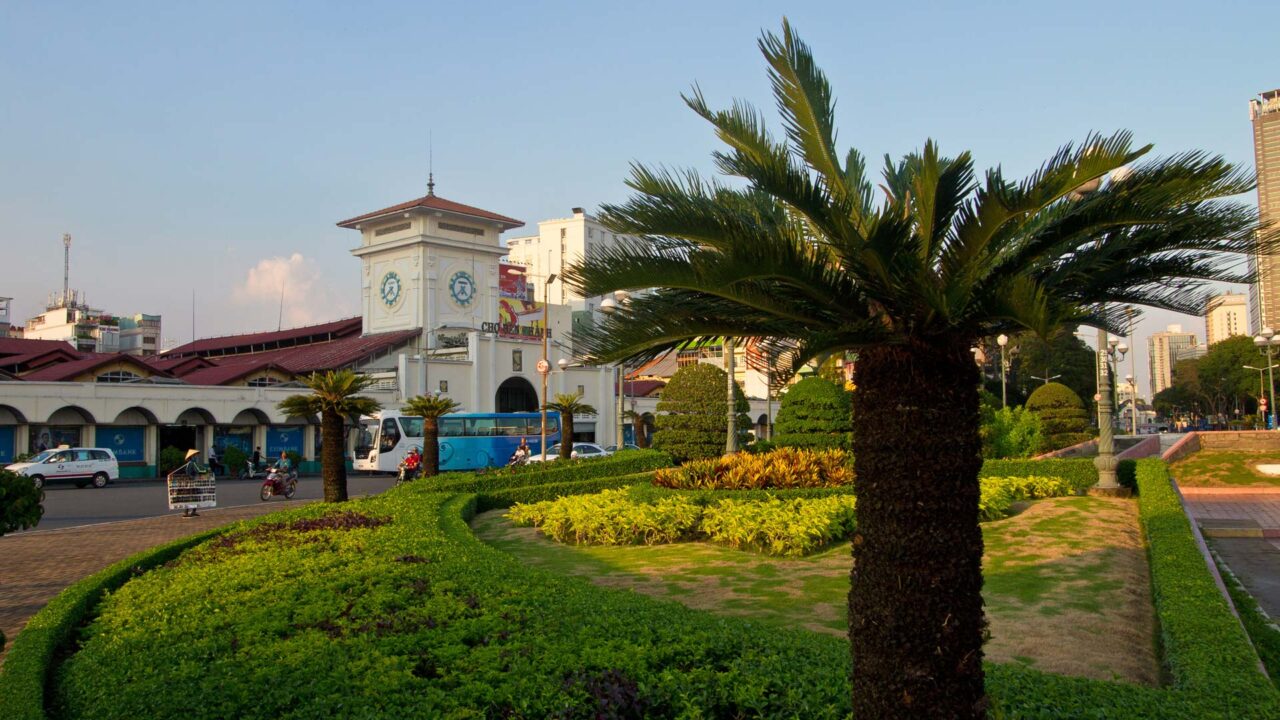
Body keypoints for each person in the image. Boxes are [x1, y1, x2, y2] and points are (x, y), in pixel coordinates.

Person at [179, 449, 208, 518]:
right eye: (195, 455)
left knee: (195, 497)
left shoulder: (190, 463)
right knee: (191, 497)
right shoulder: (192, 463)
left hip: (191, 481)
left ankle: (193, 511)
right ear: (191, 456)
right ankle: (186, 512)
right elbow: (198, 470)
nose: (196, 456)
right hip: (192, 482)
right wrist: (206, 471)